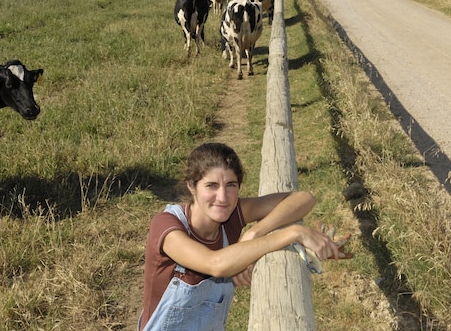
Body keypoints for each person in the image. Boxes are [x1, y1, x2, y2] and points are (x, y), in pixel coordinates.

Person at [139, 142, 351, 331]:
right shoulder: (167, 225)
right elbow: (215, 263)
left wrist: (254, 233)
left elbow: (304, 198)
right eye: (211, 185)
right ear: (191, 186)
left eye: (231, 185)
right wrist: (293, 233)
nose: (222, 197)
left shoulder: (232, 215)